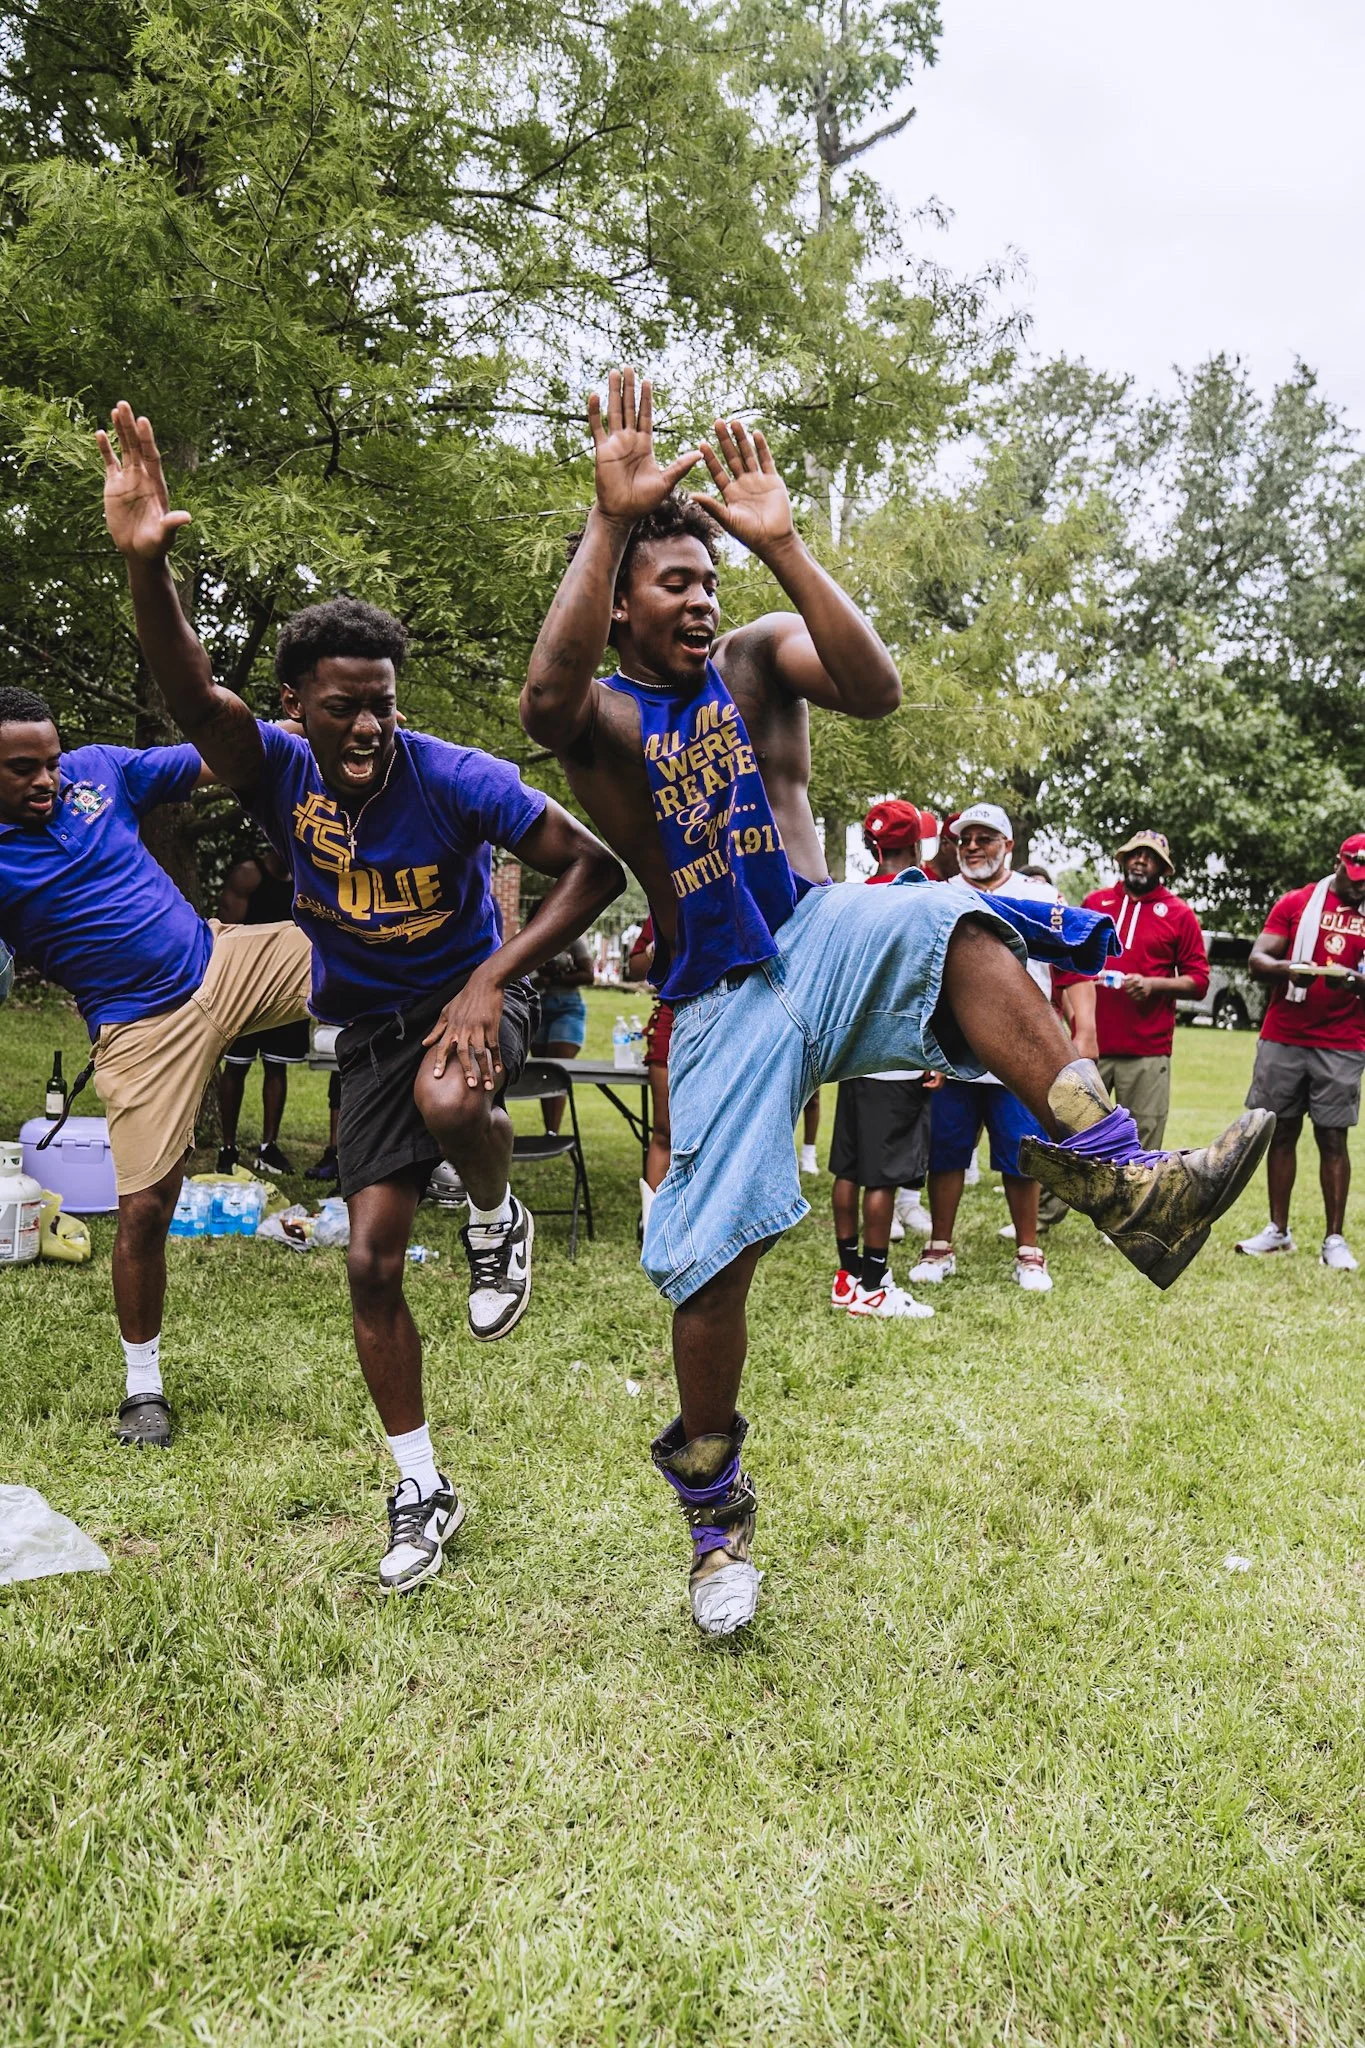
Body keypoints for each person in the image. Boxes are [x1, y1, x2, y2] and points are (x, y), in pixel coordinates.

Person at [520, 367, 1272, 1639]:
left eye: (709, 581)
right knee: (714, 1266)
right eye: (675, 583)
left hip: (821, 932)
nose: (702, 600)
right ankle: (716, 1525)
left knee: (947, 914)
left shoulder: (756, 661)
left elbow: (876, 690)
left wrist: (786, 544)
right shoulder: (600, 713)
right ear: (627, 605)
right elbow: (542, 703)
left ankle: (1120, 1180)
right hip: (721, 1000)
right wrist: (607, 519)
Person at [100, 402, 624, 1592]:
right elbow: (197, 706)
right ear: (300, 707)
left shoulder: (453, 776)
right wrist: (147, 568)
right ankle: (420, 1484)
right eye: (345, 702)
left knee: (454, 1098)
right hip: (374, 1029)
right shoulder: (279, 764)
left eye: (383, 699)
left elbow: (598, 866)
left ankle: (498, 1217)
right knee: (373, 1263)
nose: (370, 723)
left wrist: (495, 976)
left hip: (480, 1000)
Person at [0, 685, 312, 1450]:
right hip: (139, 1032)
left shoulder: (98, 770)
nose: (48, 780)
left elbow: (222, 756)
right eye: (22, 769)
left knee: (362, 945)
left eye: (50, 761)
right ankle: (144, 1388)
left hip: (222, 962)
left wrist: (307, 721)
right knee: (145, 1209)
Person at [908, 803, 1061, 1295]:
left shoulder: (1037, 895)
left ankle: (1029, 1252)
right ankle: (940, 1246)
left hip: (1019, 1050)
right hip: (955, 1051)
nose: (972, 847)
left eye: (985, 838)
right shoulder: (942, 895)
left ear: (1009, 845)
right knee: (947, 1152)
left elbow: (1071, 967)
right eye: (965, 839)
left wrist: (1085, 1032)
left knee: (1022, 1153)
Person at [829, 801, 937, 1319]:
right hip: (899, 1056)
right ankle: (874, 1284)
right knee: (882, 1179)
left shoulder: (849, 899)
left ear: (874, 847)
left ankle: (847, 1276)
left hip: (854, 1056)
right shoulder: (923, 897)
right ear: (915, 845)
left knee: (848, 1170)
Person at [1237, 836, 1365, 1270]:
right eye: (1355, 875)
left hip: (1343, 1041)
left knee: (1333, 1137)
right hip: (1285, 1034)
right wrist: (1291, 970)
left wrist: (1353, 982)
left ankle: (1334, 1239)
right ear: (1338, 863)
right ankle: (1278, 1230)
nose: (1360, 887)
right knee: (1282, 1130)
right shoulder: (1297, 903)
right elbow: (1257, 961)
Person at [1082, 831, 1209, 1149]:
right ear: (1123, 859)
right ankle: (1056, 1203)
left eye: (1150, 857)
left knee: (1139, 1150)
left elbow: (1199, 982)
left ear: (1163, 868)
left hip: (1146, 1053)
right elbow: (1070, 966)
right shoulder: (1095, 903)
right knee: (1074, 1139)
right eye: (1135, 854)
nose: (1141, 860)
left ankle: (1131, 1202)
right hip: (1088, 1048)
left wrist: (1154, 985)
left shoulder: (1180, 914)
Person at [216, 845, 310, 1173]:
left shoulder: (305, 876)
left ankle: (268, 1148)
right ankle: (227, 1149)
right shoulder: (249, 874)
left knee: (277, 1067)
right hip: (245, 985)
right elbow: (225, 935)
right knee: (236, 1066)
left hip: (285, 986)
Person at [530, 934, 594, 1133]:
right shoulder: (531, 939)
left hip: (567, 1007)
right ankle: (549, 1131)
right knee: (544, 1073)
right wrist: (540, 979)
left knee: (557, 1068)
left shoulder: (572, 940)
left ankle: (553, 1132)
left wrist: (556, 977)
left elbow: (589, 975)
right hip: (538, 1007)